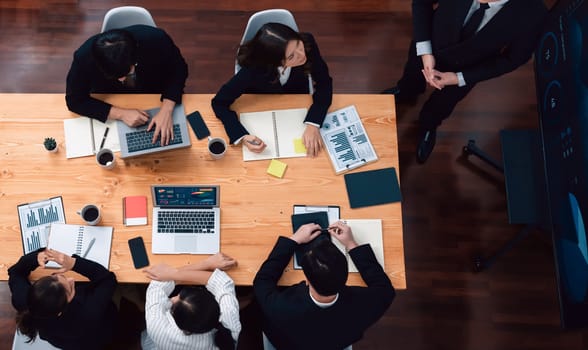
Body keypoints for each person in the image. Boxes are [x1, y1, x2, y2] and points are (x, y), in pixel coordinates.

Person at [384, 0, 548, 163]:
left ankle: (428, 124)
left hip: (469, 68)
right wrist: (425, 51)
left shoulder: (534, 13)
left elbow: (512, 59)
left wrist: (459, 78)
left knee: (443, 103)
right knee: (411, 76)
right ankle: (406, 92)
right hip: (429, 44)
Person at [253, 221, 395, 350]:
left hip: (286, 342)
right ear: (345, 277)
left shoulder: (280, 307)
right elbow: (386, 290)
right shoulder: (365, 305)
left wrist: (293, 240)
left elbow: (262, 281)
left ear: (307, 280)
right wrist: (351, 243)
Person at [212, 22, 333, 157]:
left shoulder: (307, 42)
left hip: (298, 100)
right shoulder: (253, 70)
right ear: (274, 62)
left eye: (299, 45)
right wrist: (242, 135)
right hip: (264, 107)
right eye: (291, 56)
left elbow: (324, 82)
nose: (302, 54)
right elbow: (219, 103)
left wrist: (314, 123)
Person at [66, 25, 189, 146]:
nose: (122, 79)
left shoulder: (156, 39)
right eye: (116, 77)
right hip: (114, 98)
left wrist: (167, 110)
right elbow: (74, 100)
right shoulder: (83, 57)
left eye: (126, 73)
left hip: (156, 93)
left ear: (135, 57)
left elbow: (179, 69)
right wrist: (121, 114)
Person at [8, 248, 118, 349]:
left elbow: (15, 272)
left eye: (55, 276)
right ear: (60, 311)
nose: (71, 279)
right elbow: (108, 280)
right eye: (69, 289)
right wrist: (75, 263)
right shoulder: (88, 311)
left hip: (60, 339)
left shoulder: (22, 299)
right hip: (98, 335)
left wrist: (35, 258)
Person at [141, 252, 241, 350]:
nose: (173, 298)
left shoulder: (157, 327)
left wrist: (205, 264)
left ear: (184, 329)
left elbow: (159, 281)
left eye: (173, 306)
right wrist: (173, 274)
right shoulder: (230, 330)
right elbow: (223, 282)